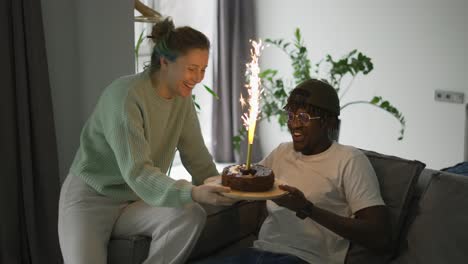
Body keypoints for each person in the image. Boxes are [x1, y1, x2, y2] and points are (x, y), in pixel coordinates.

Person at [58, 18, 236, 264]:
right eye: (192, 68)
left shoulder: (181, 100)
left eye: (203, 69)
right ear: (165, 62)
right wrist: (193, 192)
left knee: (190, 214)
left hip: (136, 200)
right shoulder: (125, 97)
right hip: (91, 199)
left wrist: (226, 188)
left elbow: (197, 158)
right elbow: (138, 172)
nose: (198, 77)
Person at [199, 79, 391, 264]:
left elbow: (379, 236)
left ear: (329, 122)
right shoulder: (282, 152)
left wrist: (306, 208)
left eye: (304, 118)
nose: (294, 124)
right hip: (258, 252)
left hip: (306, 259)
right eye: (291, 116)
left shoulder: (349, 160)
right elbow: (249, 184)